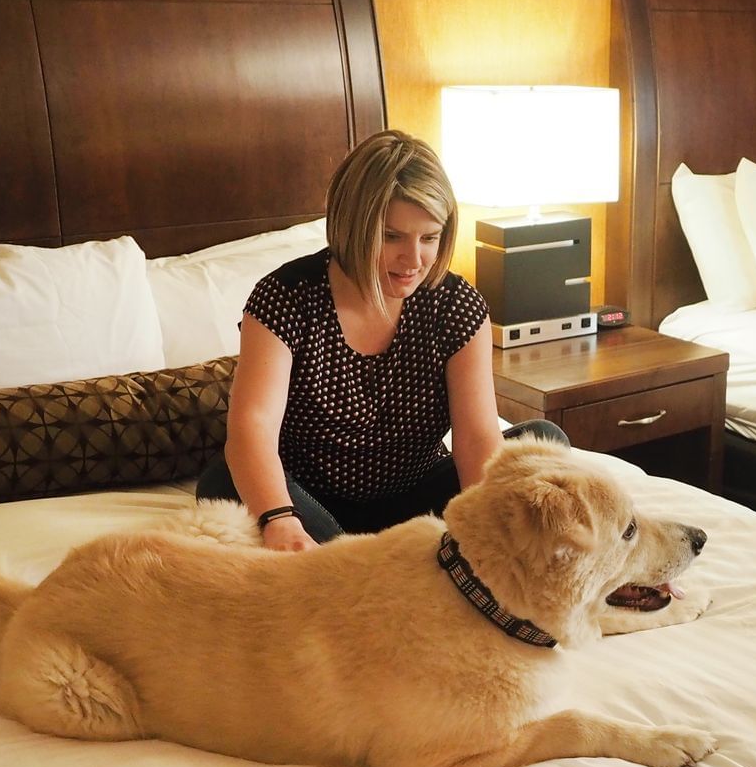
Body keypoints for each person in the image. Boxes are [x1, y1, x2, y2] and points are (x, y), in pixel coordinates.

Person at [198, 129, 566, 551]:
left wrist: (486, 530)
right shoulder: (285, 298)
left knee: (542, 442)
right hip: (309, 503)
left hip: (418, 498)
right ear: (352, 225)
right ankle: (360, 561)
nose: (414, 260)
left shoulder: (456, 305)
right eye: (392, 237)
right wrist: (280, 519)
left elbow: (477, 436)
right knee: (224, 479)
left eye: (429, 238)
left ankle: (376, 562)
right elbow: (253, 427)